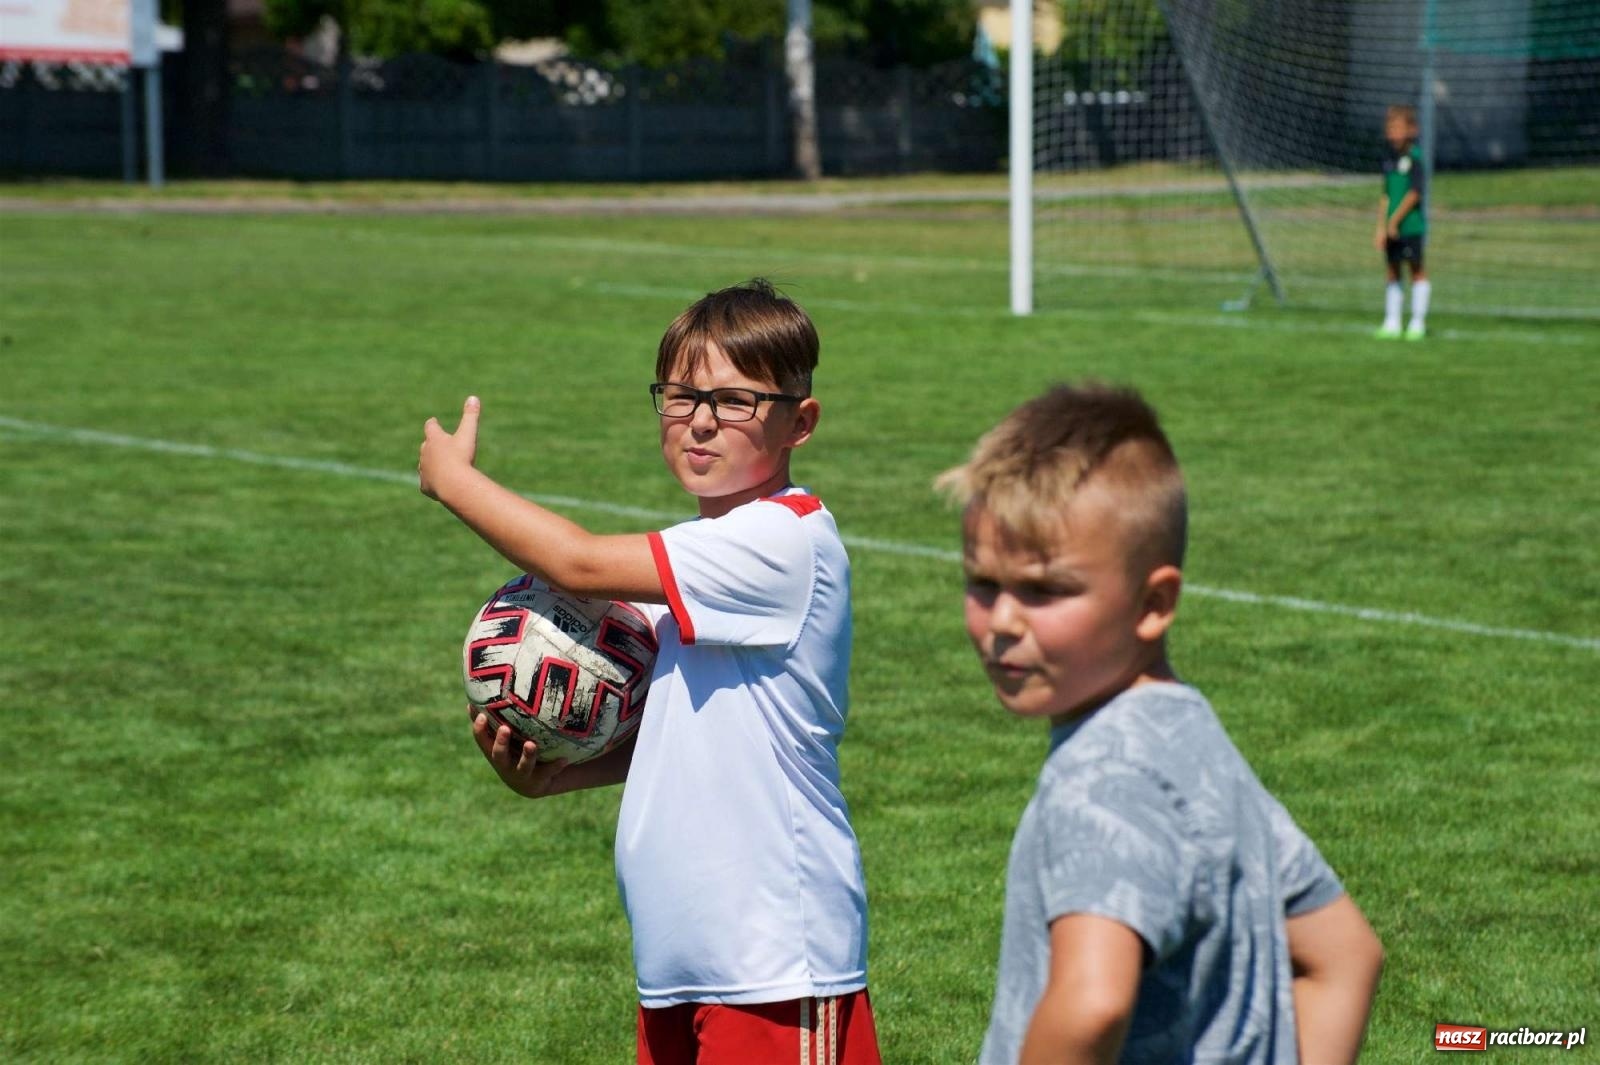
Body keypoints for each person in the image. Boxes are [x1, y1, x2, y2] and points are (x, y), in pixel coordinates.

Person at [418, 279, 880, 1065]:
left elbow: (577, 561)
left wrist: (453, 481)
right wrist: (553, 780)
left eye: (736, 400)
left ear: (800, 421)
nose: (701, 419)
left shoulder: (781, 541)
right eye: (681, 394)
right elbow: (676, 740)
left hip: (773, 963)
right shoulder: (694, 566)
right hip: (680, 960)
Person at [937, 384, 1384, 1064]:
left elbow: (1092, 1005)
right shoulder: (1192, 736)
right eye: (983, 583)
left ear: (1154, 602)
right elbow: (1346, 954)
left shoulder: (1105, 777)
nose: (1002, 621)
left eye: (1044, 589)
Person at [1374, 103, 1431, 340]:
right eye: (1390, 128)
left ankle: (1417, 322)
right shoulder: (1388, 159)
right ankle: (1392, 321)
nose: (1393, 133)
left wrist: (1395, 220)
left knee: (1416, 269)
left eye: (1398, 127)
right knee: (1392, 271)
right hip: (1390, 227)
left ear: (1411, 130)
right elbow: (1385, 195)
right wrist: (1381, 227)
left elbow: (1414, 194)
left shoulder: (1415, 158)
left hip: (1410, 226)